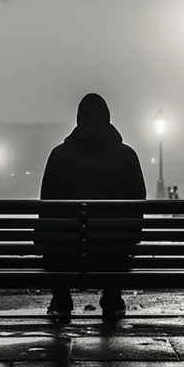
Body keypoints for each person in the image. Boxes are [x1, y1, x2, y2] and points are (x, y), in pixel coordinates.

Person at [38, 93, 146, 320]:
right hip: (113, 252)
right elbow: (138, 205)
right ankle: (112, 297)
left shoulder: (59, 155)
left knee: (54, 237)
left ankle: (62, 298)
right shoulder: (127, 156)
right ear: (107, 118)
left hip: (66, 252)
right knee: (118, 238)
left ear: (79, 119)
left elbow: (46, 207)